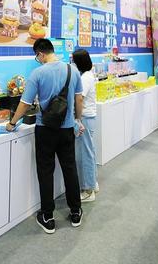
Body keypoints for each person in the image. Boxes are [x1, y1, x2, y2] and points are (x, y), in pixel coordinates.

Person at [6, 38, 85, 234]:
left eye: (37, 57)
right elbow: (79, 99)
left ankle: (48, 217)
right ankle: (76, 211)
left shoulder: (38, 73)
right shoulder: (73, 70)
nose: (38, 60)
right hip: (67, 128)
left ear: (41, 54)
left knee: (45, 171)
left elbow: (25, 103)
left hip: (45, 129)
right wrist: (77, 119)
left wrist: (12, 122)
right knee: (70, 169)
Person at [72, 49, 98, 202]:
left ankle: (88, 190)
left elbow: (79, 99)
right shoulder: (87, 75)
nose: (72, 64)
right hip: (88, 117)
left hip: (85, 118)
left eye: (73, 61)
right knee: (89, 151)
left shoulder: (85, 78)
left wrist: (77, 119)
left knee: (85, 154)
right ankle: (93, 183)